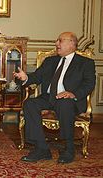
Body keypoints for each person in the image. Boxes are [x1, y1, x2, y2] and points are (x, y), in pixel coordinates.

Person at [14, 32, 96, 164]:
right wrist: (26, 78)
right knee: (30, 104)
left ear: (72, 43)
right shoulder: (50, 61)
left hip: (70, 100)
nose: (56, 43)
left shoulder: (85, 63)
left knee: (65, 104)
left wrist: (73, 94)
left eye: (60, 41)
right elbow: (37, 77)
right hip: (49, 98)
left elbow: (89, 84)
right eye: (57, 41)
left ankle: (69, 148)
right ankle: (41, 149)